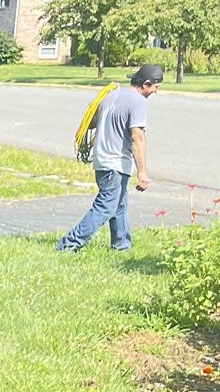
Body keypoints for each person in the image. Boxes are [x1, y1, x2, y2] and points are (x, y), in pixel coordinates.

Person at [57, 64, 162, 253]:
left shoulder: (111, 95)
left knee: (119, 205)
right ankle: (69, 244)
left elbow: (92, 123)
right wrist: (143, 173)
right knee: (105, 206)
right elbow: (137, 137)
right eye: (155, 87)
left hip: (101, 159)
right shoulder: (138, 102)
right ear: (146, 84)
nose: (156, 91)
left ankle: (121, 246)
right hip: (115, 162)